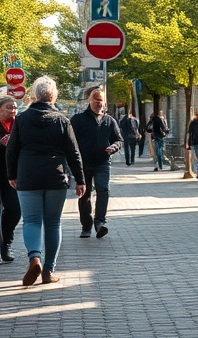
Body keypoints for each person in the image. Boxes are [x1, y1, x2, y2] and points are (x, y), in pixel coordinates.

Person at [6, 76, 86, 285]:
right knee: (52, 223)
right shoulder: (62, 120)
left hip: (28, 176)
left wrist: (11, 175)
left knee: (31, 220)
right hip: (55, 176)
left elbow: (12, 150)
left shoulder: (22, 120)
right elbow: (74, 153)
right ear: (54, 95)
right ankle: (48, 271)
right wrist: (80, 180)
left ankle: (34, 257)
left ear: (34, 95)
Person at [70, 86, 122, 239]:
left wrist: (114, 146)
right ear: (89, 100)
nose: (99, 103)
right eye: (96, 100)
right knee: (85, 195)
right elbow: (70, 141)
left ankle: (100, 223)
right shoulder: (78, 119)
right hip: (83, 163)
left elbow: (119, 139)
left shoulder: (109, 120)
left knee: (103, 190)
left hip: (102, 162)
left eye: (101, 100)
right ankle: (86, 226)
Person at [0, 95, 22, 263]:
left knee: (15, 209)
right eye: (9, 107)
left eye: (15, 107)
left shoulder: (19, 125)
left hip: (11, 175)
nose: (13, 110)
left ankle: (7, 241)